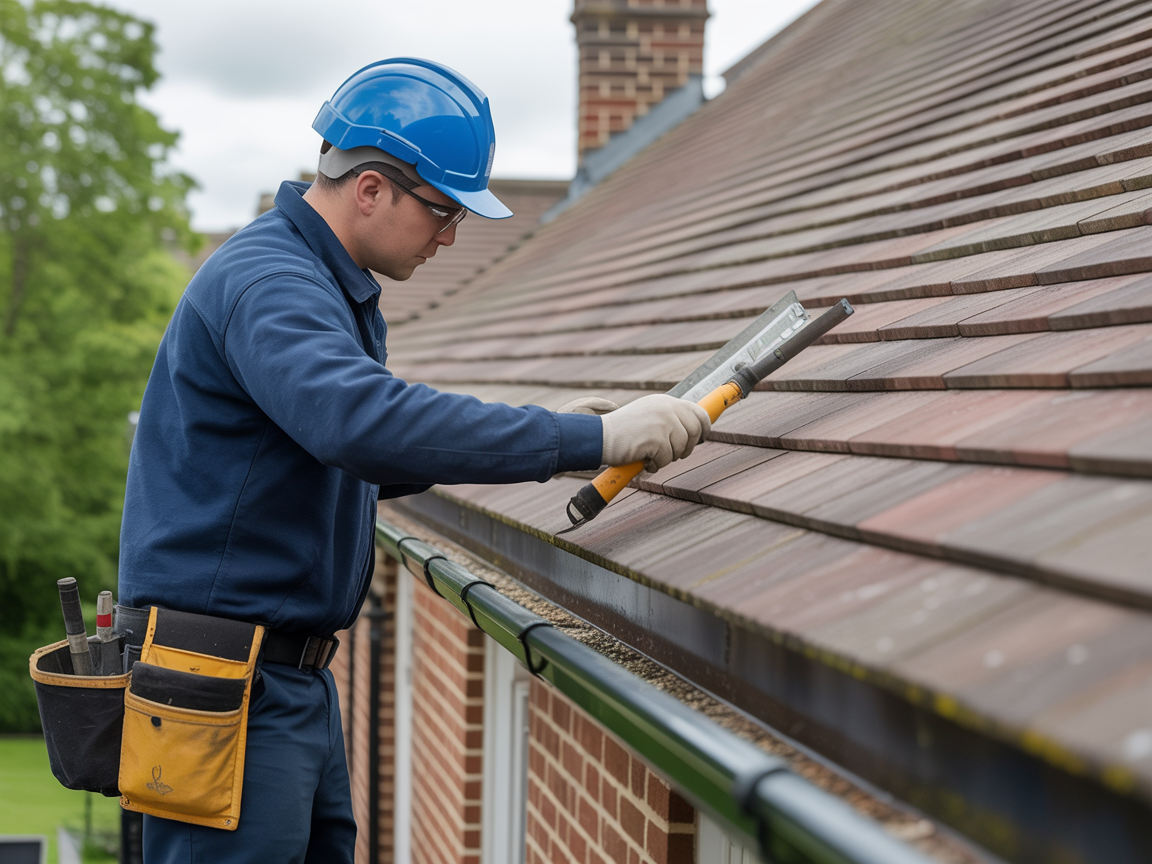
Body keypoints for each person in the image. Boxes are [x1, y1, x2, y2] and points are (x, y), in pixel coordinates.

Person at [118, 57, 709, 863]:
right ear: (370, 189)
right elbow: (361, 425)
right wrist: (593, 443)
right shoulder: (271, 283)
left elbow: (365, 452)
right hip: (231, 689)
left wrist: (559, 435)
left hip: (280, 684)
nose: (450, 235)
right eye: (441, 210)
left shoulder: (321, 282)